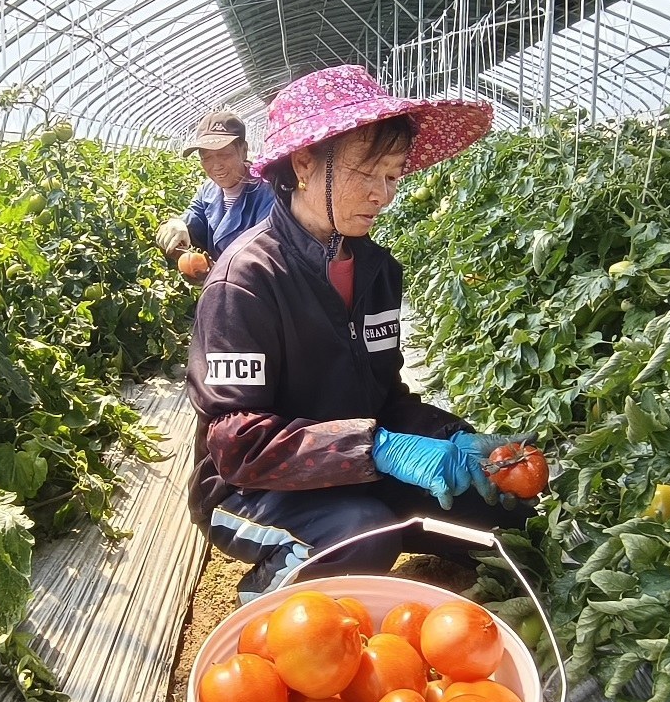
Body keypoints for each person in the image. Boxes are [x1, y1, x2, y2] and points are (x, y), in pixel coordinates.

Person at [186, 66, 533, 600]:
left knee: (505, 516)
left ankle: (383, 513)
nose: (382, 195)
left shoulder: (377, 271)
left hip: (353, 463)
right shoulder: (247, 281)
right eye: (365, 174)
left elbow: (385, 397)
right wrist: (379, 450)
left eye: (393, 176)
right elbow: (236, 443)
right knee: (361, 534)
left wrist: (454, 440)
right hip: (250, 489)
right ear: (303, 164)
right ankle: (260, 604)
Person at [155, 111, 274, 267]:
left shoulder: (267, 193)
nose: (216, 165)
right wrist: (178, 225)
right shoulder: (208, 190)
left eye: (224, 154)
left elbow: (264, 255)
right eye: (207, 157)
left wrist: (217, 275)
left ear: (243, 150)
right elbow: (194, 218)